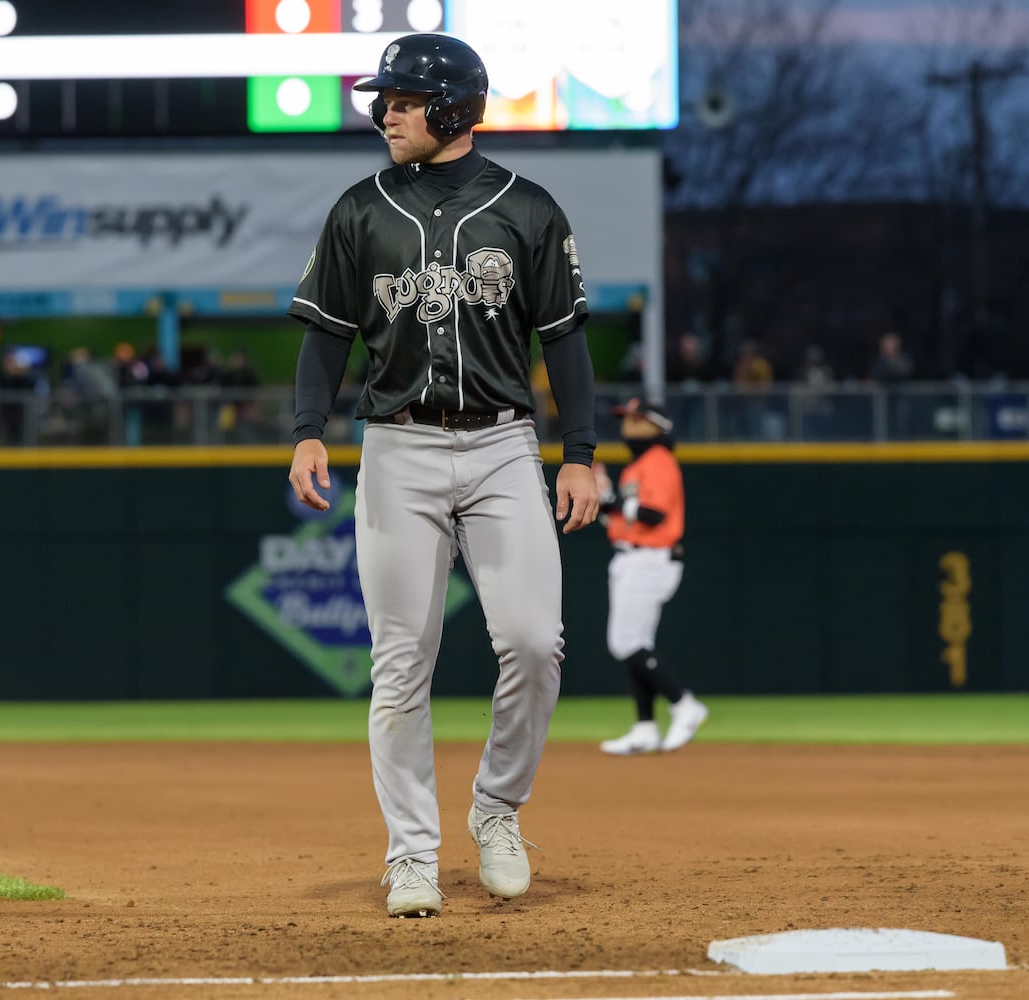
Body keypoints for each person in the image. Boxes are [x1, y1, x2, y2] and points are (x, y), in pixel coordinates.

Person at [286, 32, 600, 919]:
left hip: (504, 445)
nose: (385, 110)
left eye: (403, 98)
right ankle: (411, 853)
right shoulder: (359, 209)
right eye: (384, 97)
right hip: (396, 446)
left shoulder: (527, 207)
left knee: (536, 644)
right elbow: (325, 337)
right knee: (400, 665)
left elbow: (564, 340)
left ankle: (496, 811)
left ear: (454, 109)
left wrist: (579, 453)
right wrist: (308, 432)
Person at [591, 398, 708, 756]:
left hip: (650, 558)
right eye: (625, 420)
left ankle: (684, 705)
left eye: (636, 421)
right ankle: (645, 727)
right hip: (632, 557)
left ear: (657, 427)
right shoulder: (637, 466)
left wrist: (610, 498)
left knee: (625, 642)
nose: (627, 427)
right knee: (636, 642)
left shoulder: (657, 461)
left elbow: (654, 514)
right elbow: (623, 520)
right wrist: (604, 502)